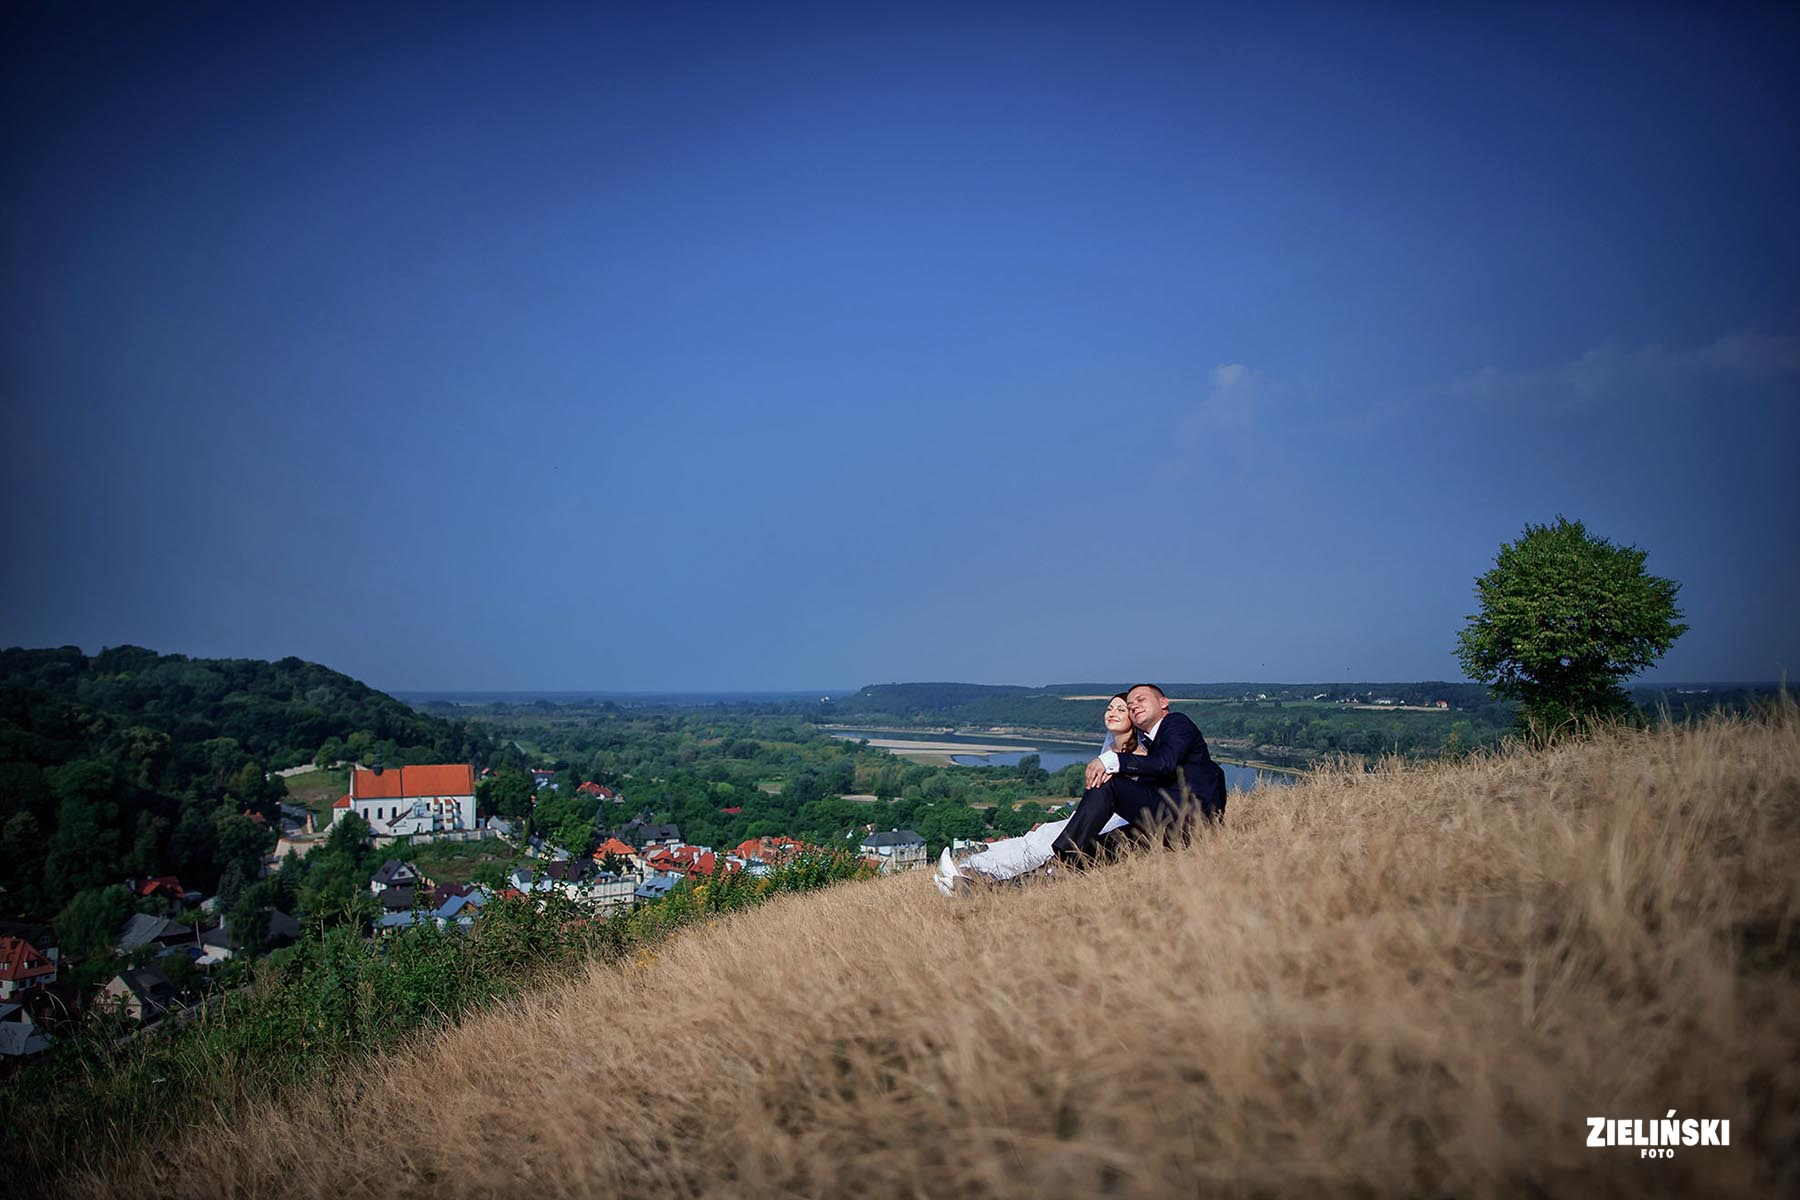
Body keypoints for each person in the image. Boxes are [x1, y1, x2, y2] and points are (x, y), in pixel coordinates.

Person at [933, 694, 1142, 895]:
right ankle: (967, 873)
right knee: (1035, 837)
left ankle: (969, 874)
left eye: (1120, 709)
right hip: (1092, 815)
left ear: (1133, 718)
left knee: (1042, 843)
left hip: (1113, 818)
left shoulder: (1139, 754)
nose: (1112, 713)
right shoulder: (1110, 746)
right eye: (1109, 708)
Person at [1049, 682, 1227, 864]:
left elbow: (1164, 763)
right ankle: (1038, 875)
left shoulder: (1176, 723)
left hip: (1193, 820)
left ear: (1163, 702)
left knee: (1110, 784)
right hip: (1166, 824)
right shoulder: (1150, 744)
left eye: (1141, 700)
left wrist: (1112, 760)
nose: (1134, 706)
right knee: (1103, 845)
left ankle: (1062, 857)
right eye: (1131, 706)